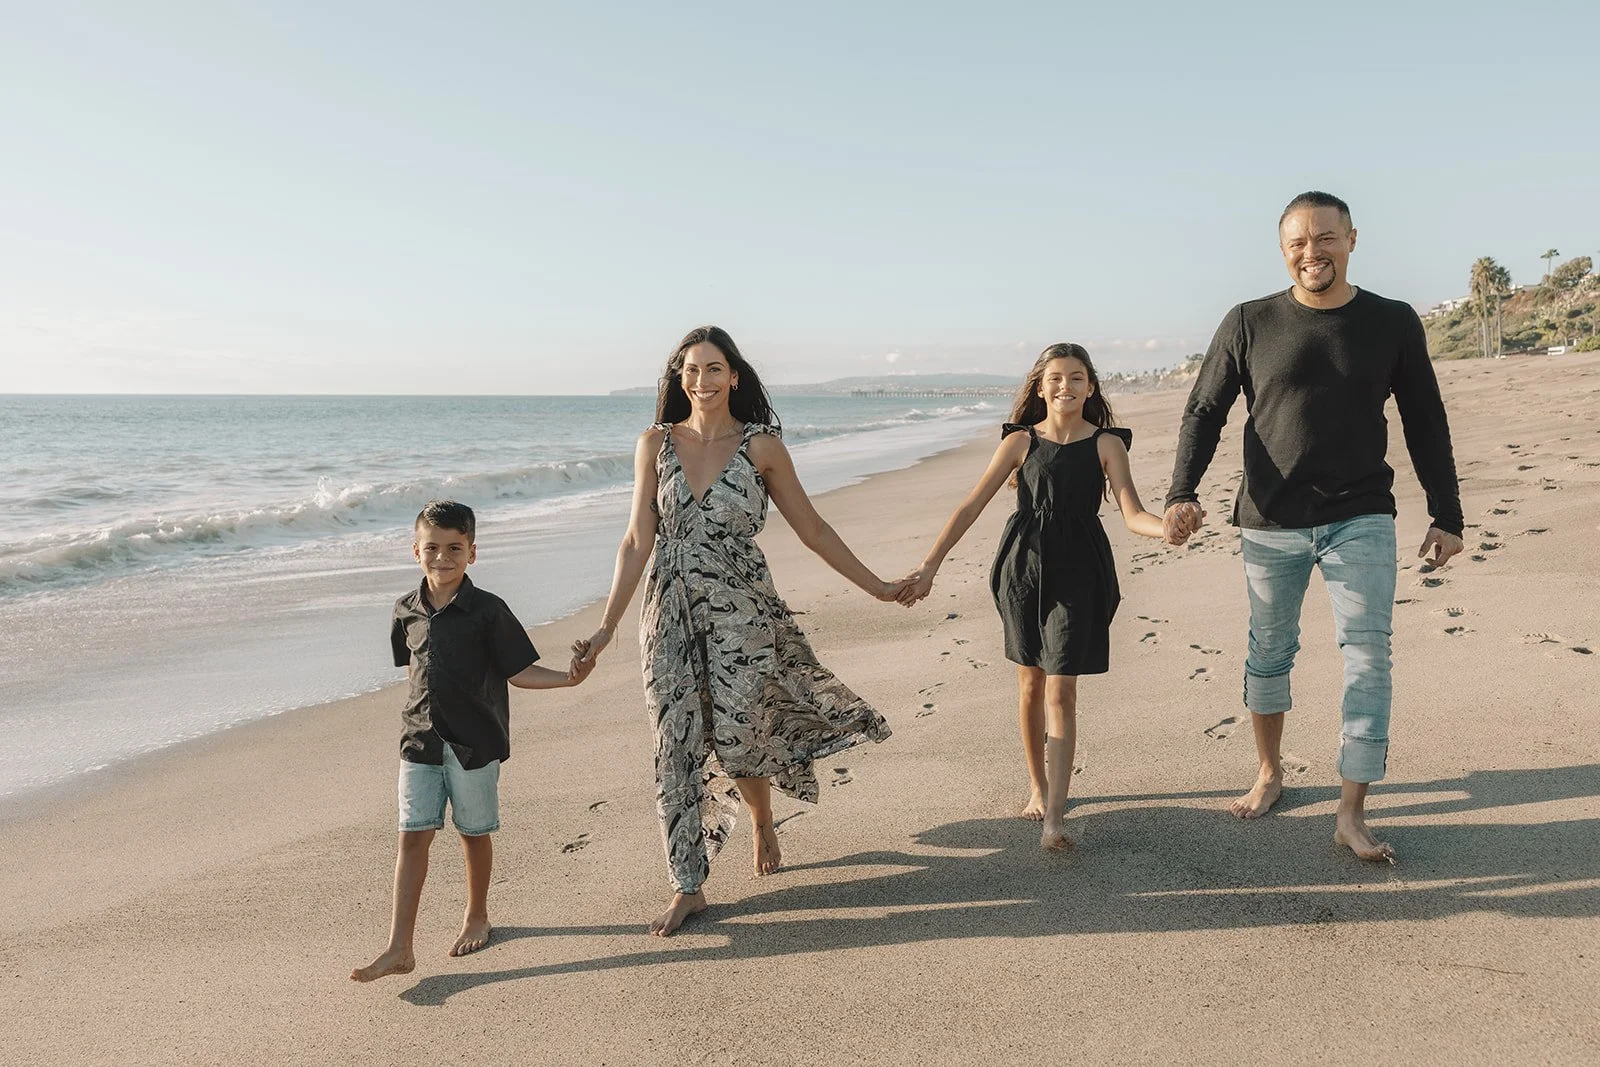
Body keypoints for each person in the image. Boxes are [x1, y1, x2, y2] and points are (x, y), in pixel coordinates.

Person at [571, 325, 903, 937]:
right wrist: (606, 627)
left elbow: (814, 529)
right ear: (679, 378)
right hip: (667, 611)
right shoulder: (654, 444)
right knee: (675, 741)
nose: (701, 380)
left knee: (737, 729)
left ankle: (760, 815)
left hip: (742, 609)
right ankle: (687, 885)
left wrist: (878, 586)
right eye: (690, 370)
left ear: (735, 377)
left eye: (713, 368)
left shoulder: (762, 447)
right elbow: (636, 538)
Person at [1164, 190, 1464, 862]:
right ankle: (1270, 771)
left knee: (1369, 656)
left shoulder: (1391, 321)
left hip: (1361, 515)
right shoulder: (1248, 321)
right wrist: (1181, 490)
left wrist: (1447, 513)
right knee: (1269, 652)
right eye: (1298, 242)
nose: (1312, 252)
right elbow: (1203, 411)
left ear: (1352, 239)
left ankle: (1351, 811)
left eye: (1325, 238)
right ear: (1283, 250)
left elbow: (1425, 419)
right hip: (1271, 518)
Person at [898, 343, 1166, 850]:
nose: (1066, 386)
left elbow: (1133, 512)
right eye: (1057, 378)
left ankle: (1054, 820)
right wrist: (930, 565)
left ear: (1091, 387)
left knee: (1061, 687)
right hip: (1023, 566)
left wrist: (1166, 529)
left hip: (1081, 571)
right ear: (1041, 386)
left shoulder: (1108, 444)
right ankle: (1038, 787)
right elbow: (971, 505)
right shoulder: (1020, 442)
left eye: (1077, 378)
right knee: (1029, 683)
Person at [351, 500, 593, 982]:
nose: (443, 557)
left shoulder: (489, 611)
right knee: (412, 835)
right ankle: (400, 946)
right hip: (417, 743)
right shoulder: (405, 609)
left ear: (472, 553)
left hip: (474, 744)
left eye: (454, 548)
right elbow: (413, 672)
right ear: (415, 550)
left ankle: (477, 913)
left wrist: (570, 680)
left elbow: (519, 672)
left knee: (473, 833)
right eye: (433, 548)